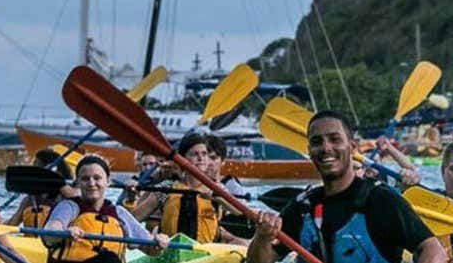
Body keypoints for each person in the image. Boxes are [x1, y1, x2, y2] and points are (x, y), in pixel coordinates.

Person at [249, 110, 445, 263]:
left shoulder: (381, 199)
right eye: (317, 142)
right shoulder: (302, 207)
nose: (326, 148)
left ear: (352, 147)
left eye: (335, 139)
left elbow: (433, 250)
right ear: (309, 151)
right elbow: (259, 261)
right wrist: (261, 236)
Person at [43, 154, 168, 263]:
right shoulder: (68, 207)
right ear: (78, 182)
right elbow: (50, 233)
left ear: (107, 181)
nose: (91, 183)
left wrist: (159, 242)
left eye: (97, 178)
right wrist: (64, 232)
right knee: (109, 259)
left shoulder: (119, 213)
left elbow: (151, 250)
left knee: (109, 259)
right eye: (85, 179)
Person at [130, 133, 243, 245]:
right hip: (170, 251)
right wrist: (131, 198)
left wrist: (219, 198)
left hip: (206, 253)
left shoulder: (217, 188)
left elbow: (239, 212)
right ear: (182, 159)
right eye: (194, 154)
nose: (201, 158)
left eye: (204, 154)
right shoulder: (166, 187)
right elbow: (134, 219)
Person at [7, 148, 79, 228]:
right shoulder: (30, 200)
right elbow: (12, 222)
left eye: (37, 169)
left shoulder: (69, 196)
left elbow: (79, 196)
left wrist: (60, 185)